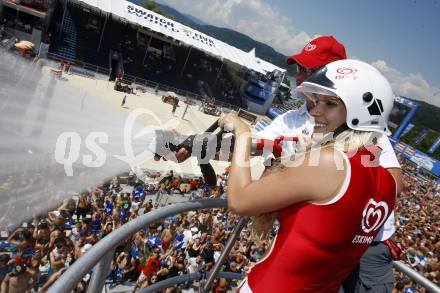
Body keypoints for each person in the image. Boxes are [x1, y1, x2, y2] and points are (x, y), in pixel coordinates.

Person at [219, 59, 397, 292]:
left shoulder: (329, 163)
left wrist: (243, 132)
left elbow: (240, 200)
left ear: (360, 113)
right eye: (316, 101)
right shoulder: (387, 182)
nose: (315, 110)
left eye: (330, 103)